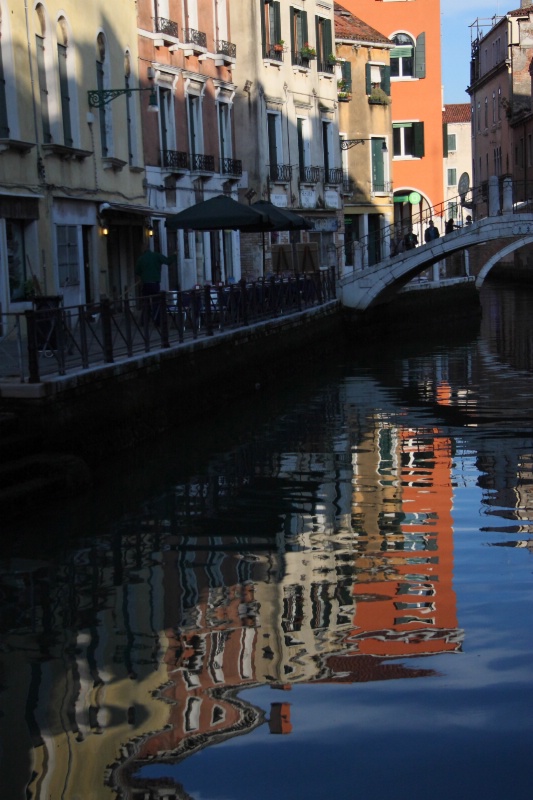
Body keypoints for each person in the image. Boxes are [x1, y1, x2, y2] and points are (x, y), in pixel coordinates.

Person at [135, 247, 174, 324]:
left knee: (146, 303)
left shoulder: (141, 258)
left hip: (146, 284)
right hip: (154, 283)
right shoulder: (156, 256)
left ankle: (144, 321)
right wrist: (174, 255)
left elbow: (137, 272)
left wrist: (143, 276)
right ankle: (157, 321)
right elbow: (168, 261)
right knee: (156, 302)